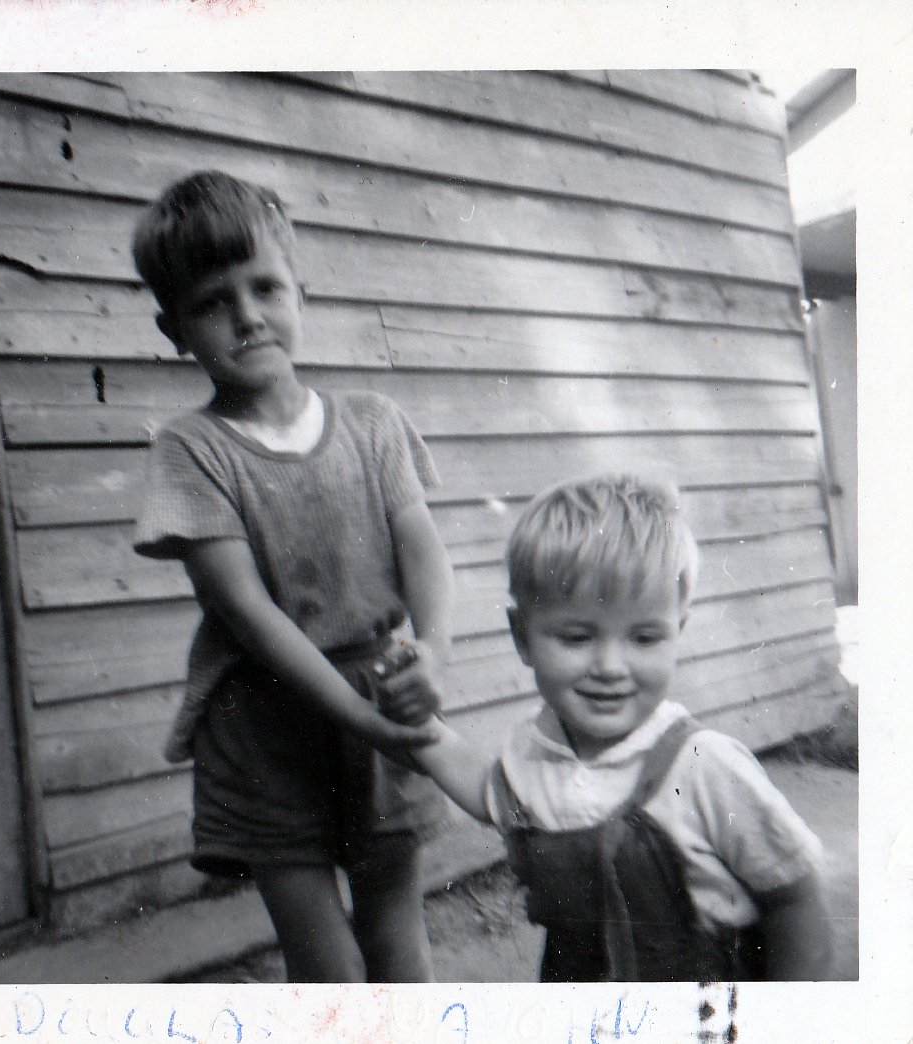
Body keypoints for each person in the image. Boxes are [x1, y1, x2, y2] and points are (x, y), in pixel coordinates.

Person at [132, 171, 453, 982]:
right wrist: (358, 714)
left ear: (299, 294)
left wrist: (432, 652)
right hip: (264, 725)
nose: (247, 316)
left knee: (394, 926)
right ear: (175, 330)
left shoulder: (374, 424)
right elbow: (246, 611)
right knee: (325, 960)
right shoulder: (191, 451)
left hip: (379, 693)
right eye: (213, 301)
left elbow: (422, 547)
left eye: (265, 287)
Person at [381, 475, 833, 981]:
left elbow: (796, 898)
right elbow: (489, 790)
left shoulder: (704, 764)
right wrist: (417, 722)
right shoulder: (534, 754)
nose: (611, 667)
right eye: (577, 638)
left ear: (678, 632)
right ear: (522, 638)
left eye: (644, 638)